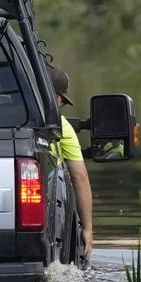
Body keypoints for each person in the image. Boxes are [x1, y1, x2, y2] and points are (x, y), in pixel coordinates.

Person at [44, 57, 93, 259]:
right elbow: (79, 177)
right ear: (56, 98)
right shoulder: (62, 128)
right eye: (62, 102)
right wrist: (88, 229)